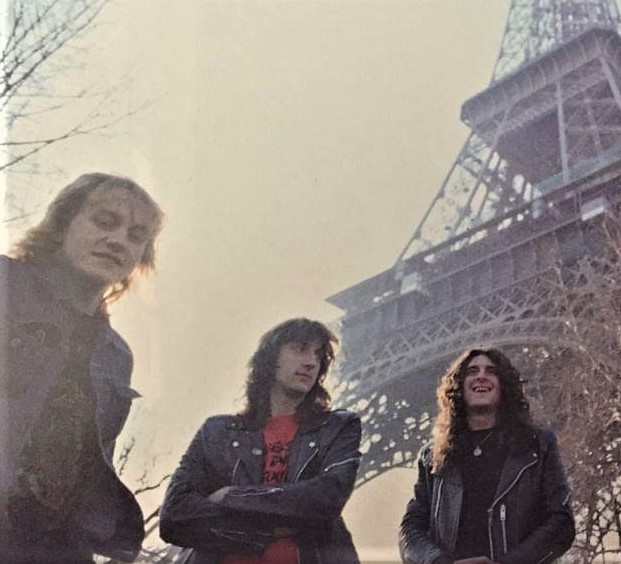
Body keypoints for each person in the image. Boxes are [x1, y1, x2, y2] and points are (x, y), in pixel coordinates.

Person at [0, 173, 164, 562]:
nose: (118, 240)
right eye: (104, 222)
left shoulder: (116, 354)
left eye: (136, 235)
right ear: (61, 226)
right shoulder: (6, 285)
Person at [159, 318, 361, 564]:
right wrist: (271, 528)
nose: (310, 362)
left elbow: (326, 499)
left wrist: (230, 496)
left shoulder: (338, 427)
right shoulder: (217, 431)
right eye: (300, 349)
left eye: (318, 356)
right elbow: (174, 517)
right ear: (271, 359)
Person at [399, 348, 574, 564]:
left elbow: (561, 523)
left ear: (504, 385)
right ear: (458, 386)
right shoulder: (433, 456)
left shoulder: (538, 446)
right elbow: (411, 528)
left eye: (491, 371)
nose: (481, 376)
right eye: (472, 371)